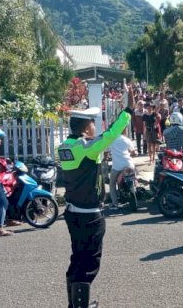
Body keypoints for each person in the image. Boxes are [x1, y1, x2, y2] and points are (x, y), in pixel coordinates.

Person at [58, 104, 131, 308]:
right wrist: (127, 113)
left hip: (73, 213)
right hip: (89, 215)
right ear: (84, 127)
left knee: (78, 258)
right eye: (92, 123)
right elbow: (110, 135)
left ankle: (75, 305)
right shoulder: (85, 147)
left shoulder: (64, 146)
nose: (94, 127)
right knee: (89, 263)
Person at [108, 127, 136, 211]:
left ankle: (115, 204)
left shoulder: (111, 140)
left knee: (112, 184)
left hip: (117, 167)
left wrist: (106, 157)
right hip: (128, 164)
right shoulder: (126, 139)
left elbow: (106, 152)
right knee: (133, 179)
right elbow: (133, 152)